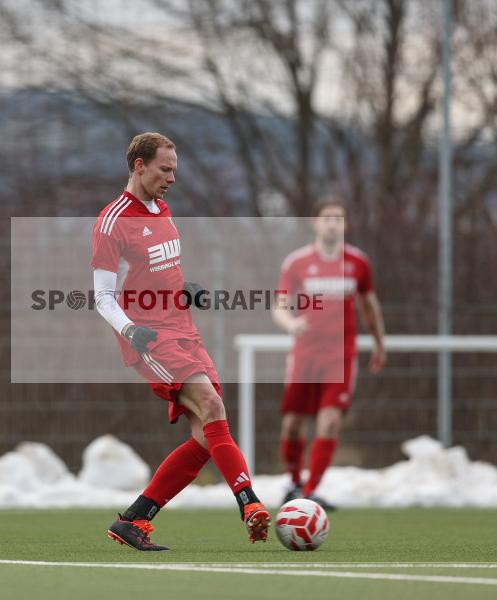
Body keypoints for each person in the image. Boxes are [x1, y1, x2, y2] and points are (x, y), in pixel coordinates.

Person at [91, 132, 270, 551]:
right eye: (165, 169)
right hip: (150, 339)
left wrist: (183, 289)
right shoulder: (113, 220)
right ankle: (250, 505)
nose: (172, 178)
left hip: (184, 329)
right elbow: (101, 296)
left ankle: (133, 519)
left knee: (208, 438)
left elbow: (154, 271)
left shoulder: (162, 209)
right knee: (212, 406)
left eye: (174, 170)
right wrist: (131, 330)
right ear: (139, 165)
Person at [272, 198, 386, 509]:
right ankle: (294, 483)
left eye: (339, 218)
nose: (333, 223)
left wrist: (379, 342)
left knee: (330, 422)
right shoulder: (296, 263)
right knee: (292, 424)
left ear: (345, 224)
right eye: (327, 218)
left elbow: (369, 305)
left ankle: (309, 493)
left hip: (340, 356)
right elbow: (279, 305)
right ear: (315, 222)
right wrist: (291, 323)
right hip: (305, 355)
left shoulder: (358, 263)